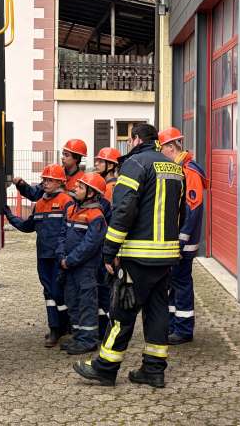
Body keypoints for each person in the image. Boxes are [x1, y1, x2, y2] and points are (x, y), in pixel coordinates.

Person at [72, 124, 186, 388]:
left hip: (137, 255)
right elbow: (181, 211)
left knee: (121, 311)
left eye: (129, 140)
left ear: (135, 140)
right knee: (157, 313)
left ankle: (105, 368)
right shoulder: (175, 168)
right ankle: (153, 371)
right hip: (166, 256)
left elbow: (124, 210)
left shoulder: (135, 164)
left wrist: (109, 250)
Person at [2, 165, 74, 347]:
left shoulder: (67, 202)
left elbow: (71, 231)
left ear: (60, 182)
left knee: (57, 293)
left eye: (50, 180)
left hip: (59, 257)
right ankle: (55, 328)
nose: (45, 183)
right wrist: (10, 215)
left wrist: (66, 255)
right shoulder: (40, 204)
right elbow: (27, 226)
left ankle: (63, 324)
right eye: (44, 180)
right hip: (43, 256)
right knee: (48, 293)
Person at [158, 127, 207, 345]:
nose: (160, 153)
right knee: (174, 283)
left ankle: (184, 330)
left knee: (181, 283)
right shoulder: (179, 169)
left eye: (161, 148)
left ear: (171, 147)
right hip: (176, 241)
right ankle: (173, 326)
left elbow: (191, 208)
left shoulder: (189, 171)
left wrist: (179, 242)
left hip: (182, 244)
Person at [57, 172, 108, 355]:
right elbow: (62, 235)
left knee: (87, 303)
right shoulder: (72, 210)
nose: (75, 189)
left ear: (91, 193)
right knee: (72, 302)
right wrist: (61, 256)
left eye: (80, 187)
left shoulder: (96, 216)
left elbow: (90, 246)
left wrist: (69, 260)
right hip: (70, 266)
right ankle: (79, 337)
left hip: (85, 269)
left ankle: (88, 341)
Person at [93, 147, 120, 340]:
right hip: (106, 244)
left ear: (110, 166)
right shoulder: (111, 186)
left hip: (106, 245)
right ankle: (104, 329)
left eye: (100, 161)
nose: (96, 164)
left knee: (105, 288)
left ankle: (107, 330)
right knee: (104, 288)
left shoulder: (110, 189)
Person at [13, 139, 87, 202]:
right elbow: (36, 193)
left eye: (66, 155)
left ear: (76, 158)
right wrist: (22, 185)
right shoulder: (55, 174)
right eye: (63, 154)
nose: (62, 157)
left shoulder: (83, 180)